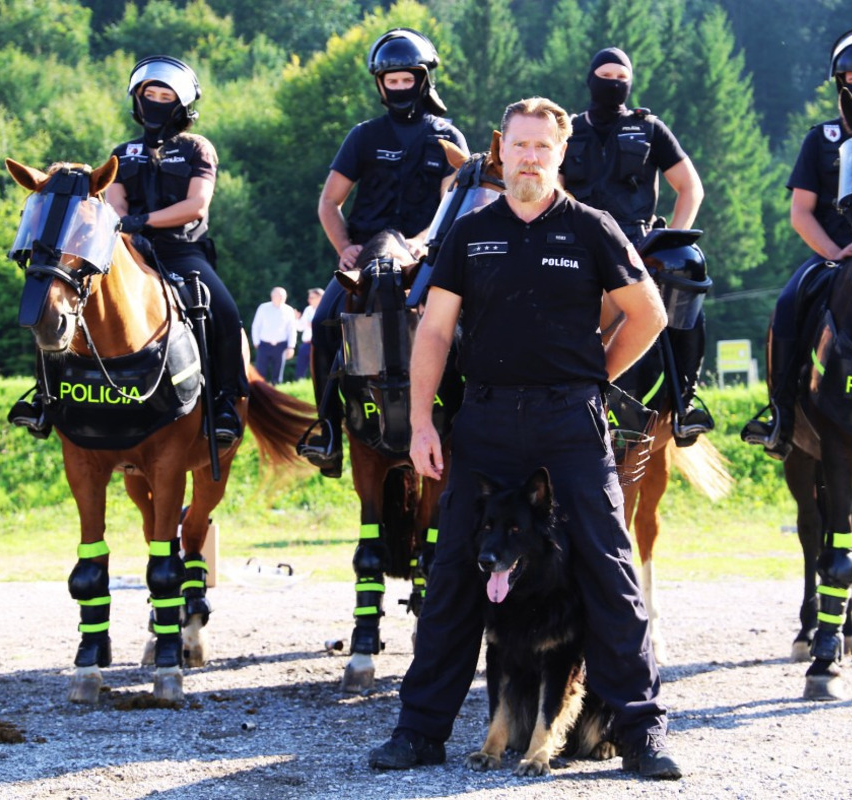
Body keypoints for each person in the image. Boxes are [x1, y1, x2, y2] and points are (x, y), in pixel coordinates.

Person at [366, 97, 682, 780]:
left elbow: (648, 314)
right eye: (519, 146)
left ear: (560, 155)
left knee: (611, 572)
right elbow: (435, 332)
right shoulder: (470, 233)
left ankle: (641, 733)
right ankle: (419, 731)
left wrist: (592, 377)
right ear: (500, 152)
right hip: (485, 423)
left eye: (543, 147)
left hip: (570, 426)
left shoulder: (592, 228)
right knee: (453, 576)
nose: (530, 158)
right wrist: (420, 423)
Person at [297, 28, 468, 478]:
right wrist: (344, 247)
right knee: (322, 322)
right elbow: (329, 202)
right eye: (391, 80)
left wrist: (423, 241)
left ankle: (477, 427)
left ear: (423, 80)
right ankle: (328, 432)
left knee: (477, 329)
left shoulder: (448, 136)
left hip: (427, 262)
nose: (399, 87)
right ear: (380, 84)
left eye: (407, 79)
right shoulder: (363, 136)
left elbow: (454, 204)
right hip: (366, 264)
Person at [741, 28, 852, 459]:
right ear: (839, 83)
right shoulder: (822, 139)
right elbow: (801, 212)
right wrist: (834, 252)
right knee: (787, 306)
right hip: (837, 258)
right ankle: (781, 416)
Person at [561, 47, 712, 437]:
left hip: (638, 247)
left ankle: (685, 403)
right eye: (605, 76)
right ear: (590, 79)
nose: (613, 84)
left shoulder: (650, 129)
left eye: (621, 77)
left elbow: (690, 188)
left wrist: (669, 239)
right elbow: (554, 191)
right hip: (576, 241)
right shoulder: (567, 130)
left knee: (689, 280)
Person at [105, 55, 245, 442]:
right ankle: (45, 399)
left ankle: (225, 401)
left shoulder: (198, 148)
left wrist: (143, 220)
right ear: (137, 99)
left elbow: (196, 205)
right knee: (66, 295)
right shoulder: (121, 152)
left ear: (181, 104)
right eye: (149, 94)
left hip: (182, 251)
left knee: (226, 313)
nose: (156, 102)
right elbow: (114, 204)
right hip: (129, 252)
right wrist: (128, 229)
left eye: (166, 96)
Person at [250, 287, 297, 384]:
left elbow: (292, 329)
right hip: (264, 345)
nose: (282, 297)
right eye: (279, 295)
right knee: (260, 372)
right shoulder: (263, 308)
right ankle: (258, 389)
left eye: (283, 296)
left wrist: (291, 346)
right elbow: (256, 326)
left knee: (278, 373)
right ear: (272, 296)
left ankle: (276, 389)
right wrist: (256, 342)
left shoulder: (289, 310)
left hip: (281, 345)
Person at [294, 287, 323, 381]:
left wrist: (313, 325)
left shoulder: (324, 309)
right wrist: (296, 319)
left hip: (318, 344)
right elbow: (300, 328)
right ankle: (298, 383)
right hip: (306, 343)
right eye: (309, 297)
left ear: (320, 298)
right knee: (300, 368)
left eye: (312, 297)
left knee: (318, 368)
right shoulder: (308, 309)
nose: (309, 300)